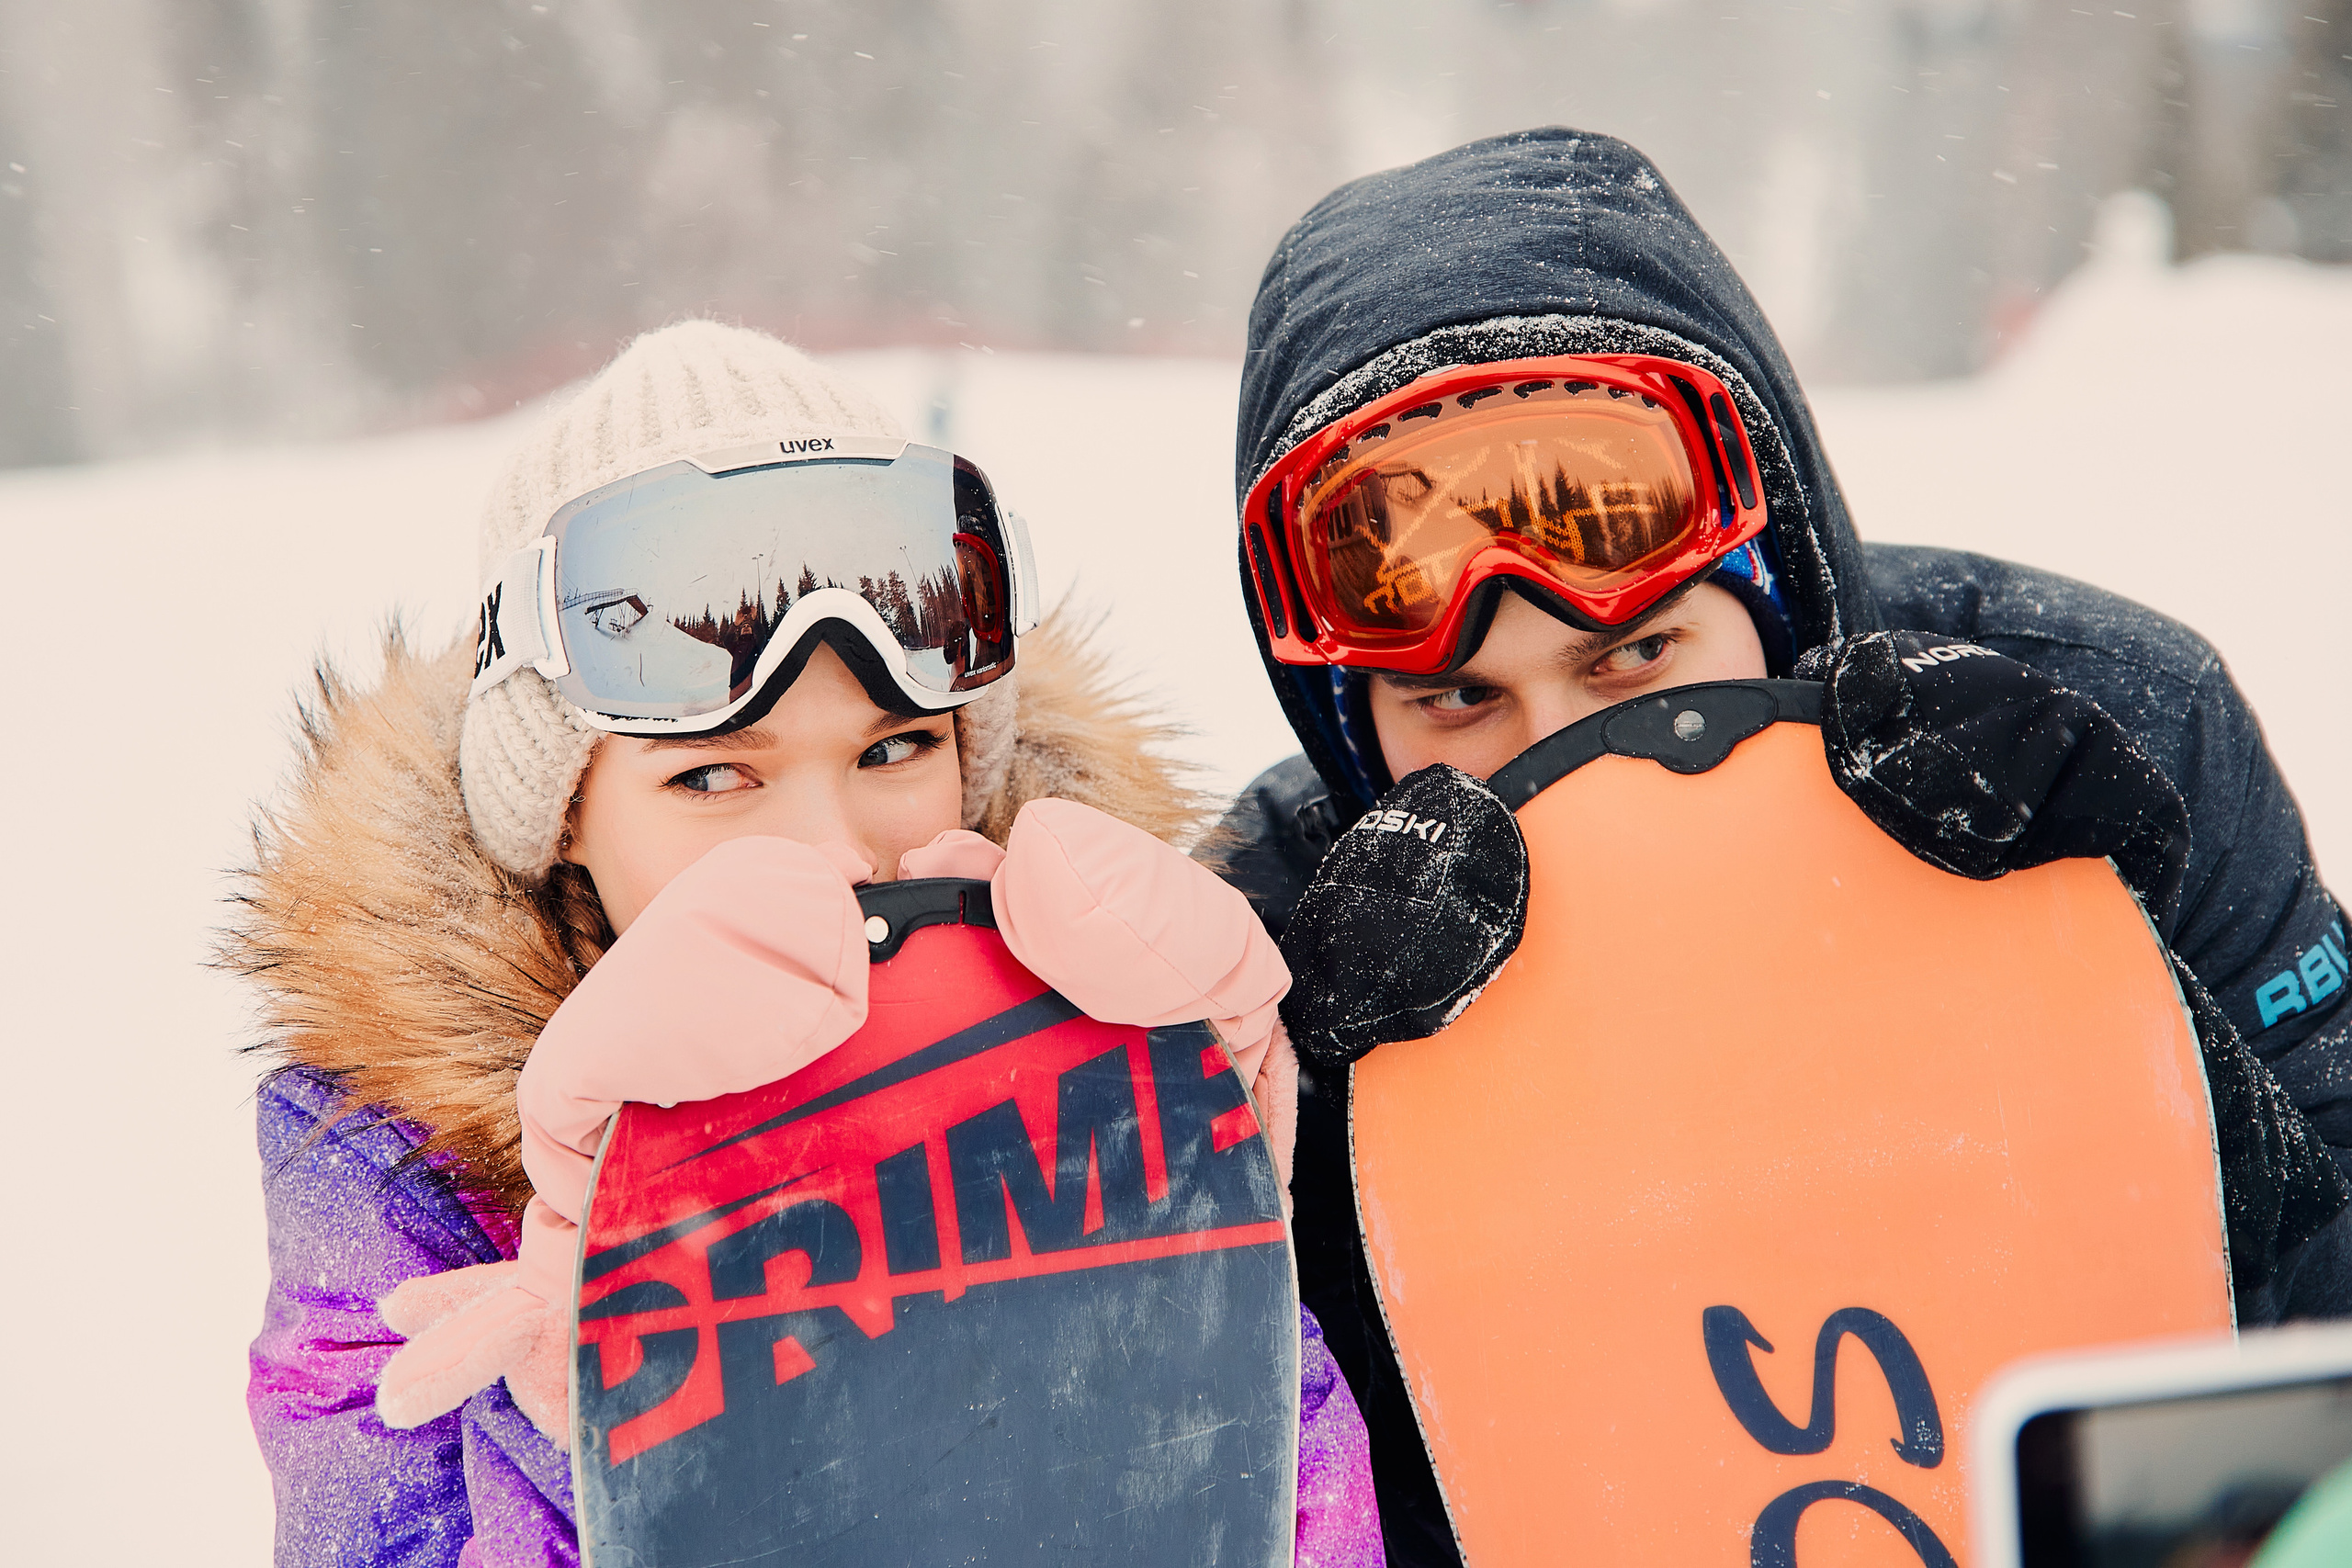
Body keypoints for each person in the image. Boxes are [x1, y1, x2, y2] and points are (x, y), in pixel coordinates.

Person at [1210, 127, 2352, 1566]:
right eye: (1460, 702)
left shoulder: (2096, 729)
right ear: (1349, 726)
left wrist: (2133, 1016)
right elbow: (1248, 1488)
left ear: (1779, 581)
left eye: (1635, 658)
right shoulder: (1274, 933)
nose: (1560, 752)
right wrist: (1334, 1149)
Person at [226, 321, 1383, 1567]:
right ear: (563, 820)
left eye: (894, 749)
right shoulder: (397, 1167)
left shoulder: (1097, 1025)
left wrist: (1206, 1279)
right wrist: (595, 1432)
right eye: (716, 776)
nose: (836, 850)